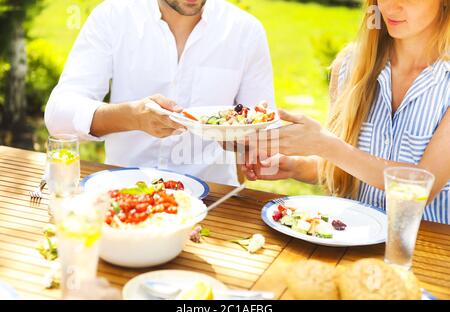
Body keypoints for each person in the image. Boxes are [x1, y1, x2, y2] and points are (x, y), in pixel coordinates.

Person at [242, 0, 450, 224]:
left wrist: (324, 144)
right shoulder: (351, 65)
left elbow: (422, 188)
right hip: (350, 241)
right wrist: (297, 166)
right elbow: (345, 166)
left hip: (428, 250)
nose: (390, 6)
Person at [45, 0, 275, 185]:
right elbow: (58, 116)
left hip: (213, 195)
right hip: (124, 192)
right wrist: (132, 116)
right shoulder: (113, 16)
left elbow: (264, 135)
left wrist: (250, 145)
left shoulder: (246, 31)